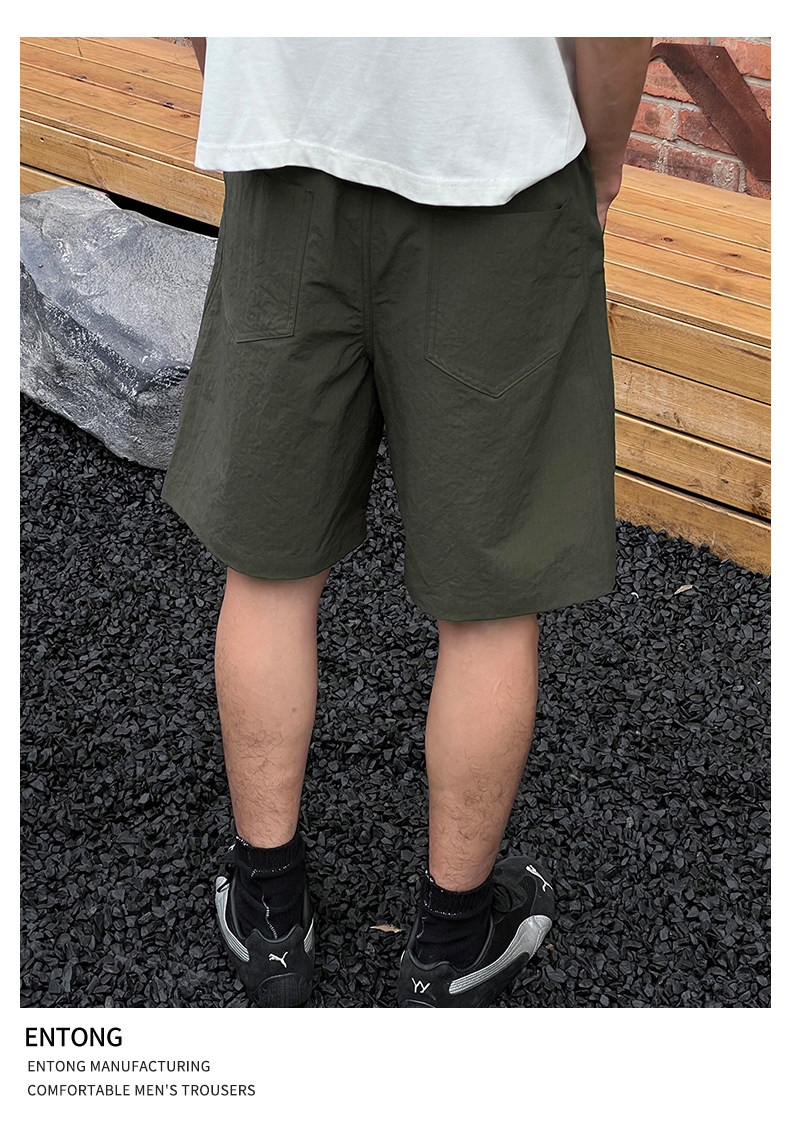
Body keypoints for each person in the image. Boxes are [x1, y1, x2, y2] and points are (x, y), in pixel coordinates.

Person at [161, 36, 653, 1008]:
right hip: (495, 168)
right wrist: (601, 161)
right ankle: (448, 944)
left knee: (268, 572)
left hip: (288, 159)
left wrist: (266, 89)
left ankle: (270, 920)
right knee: (489, 603)